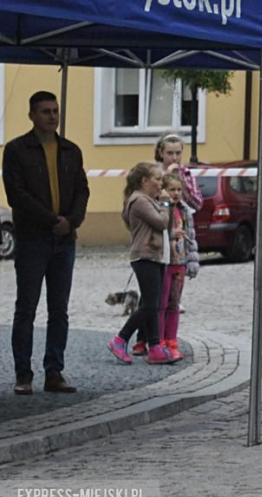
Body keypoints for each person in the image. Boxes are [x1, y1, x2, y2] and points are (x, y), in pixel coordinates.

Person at [3, 91, 90, 395]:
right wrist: (52, 221)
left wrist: (71, 221)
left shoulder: (70, 150)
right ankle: (23, 374)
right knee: (26, 308)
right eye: (45, 111)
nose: (52, 116)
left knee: (59, 309)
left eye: (54, 111)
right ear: (31, 115)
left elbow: (82, 189)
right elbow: (17, 195)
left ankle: (54, 371)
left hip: (64, 241)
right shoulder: (16, 150)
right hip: (32, 240)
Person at [107, 162, 180, 365]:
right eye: (157, 179)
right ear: (144, 181)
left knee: (153, 304)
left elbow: (166, 227)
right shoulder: (139, 200)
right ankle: (120, 339)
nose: (161, 183)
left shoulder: (149, 199)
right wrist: (166, 204)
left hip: (157, 256)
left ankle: (155, 347)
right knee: (149, 305)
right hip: (145, 256)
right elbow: (160, 222)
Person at [154, 172, 200, 362]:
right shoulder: (160, 208)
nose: (176, 193)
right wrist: (172, 234)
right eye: (172, 189)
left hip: (179, 263)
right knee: (161, 304)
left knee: (174, 304)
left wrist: (192, 261)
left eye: (179, 189)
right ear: (163, 190)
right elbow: (158, 233)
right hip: (164, 262)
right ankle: (159, 341)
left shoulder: (185, 211)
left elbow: (191, 237)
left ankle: (172, 341)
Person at [154, 134, 203, 212]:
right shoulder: (153, 172)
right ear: (161, 153)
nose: (174, 158)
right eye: (170, 153)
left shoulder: (186, 172)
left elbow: (198, 204)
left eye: (178, 153)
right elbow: (150, 201)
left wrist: (184, 184)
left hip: (183, 219)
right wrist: (167, 176)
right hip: (162, 218)